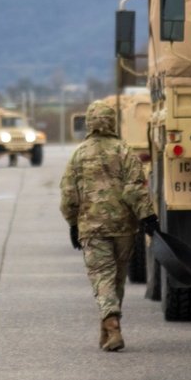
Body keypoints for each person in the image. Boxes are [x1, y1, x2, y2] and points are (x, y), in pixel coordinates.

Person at [59, 100, 159, 352]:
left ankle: (112, 328)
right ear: (112, 122)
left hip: (92, 227)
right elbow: (135, 189)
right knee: (117, 279)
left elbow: (68, 195)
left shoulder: (79, 154)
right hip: (124, 228)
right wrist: (148, 217)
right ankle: (107, 330)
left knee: (101, 277)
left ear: (89, 123)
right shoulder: (124, 151)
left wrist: (72, 222)